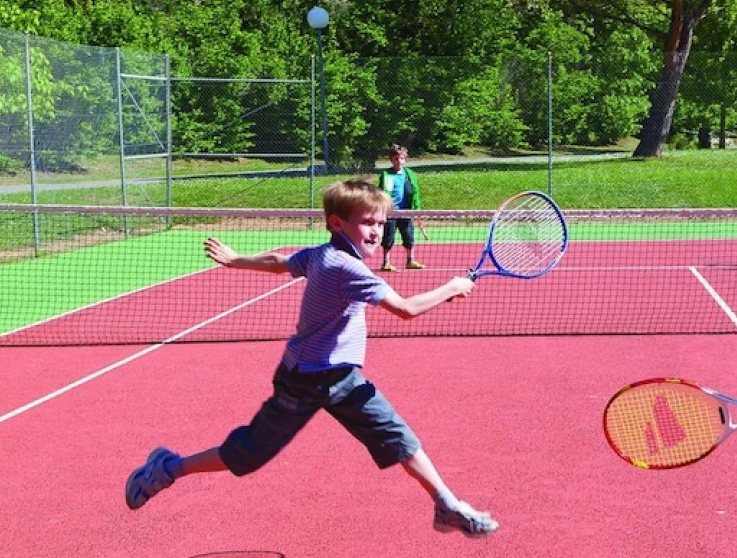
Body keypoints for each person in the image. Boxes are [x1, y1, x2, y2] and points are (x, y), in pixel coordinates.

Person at [123, 179, 498, 538]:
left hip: (343, 378)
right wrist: (452, 286)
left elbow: (280, 261)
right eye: (367, 222)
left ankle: (445, 503)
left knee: (397, 435)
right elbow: (405, 309)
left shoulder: (322, 254)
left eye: (381, 223)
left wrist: (237, 260)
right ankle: (169, 467)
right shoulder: (344, 266)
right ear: (337, 223)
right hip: (304, 379)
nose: (376, 231)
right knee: (249, 454)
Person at [378, 143, 423, 271]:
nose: (399, 161)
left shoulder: (410, 175)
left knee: (409, 236)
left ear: (405, 159)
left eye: (401, 158)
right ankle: (386, 262)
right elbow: (382, 192)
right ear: (391, 160)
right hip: (391, 212)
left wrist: (417, 211)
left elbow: (415, 193)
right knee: (388, 237)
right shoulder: (386, 175)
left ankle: (410, 260)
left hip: (406, 212)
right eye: (396, 159)